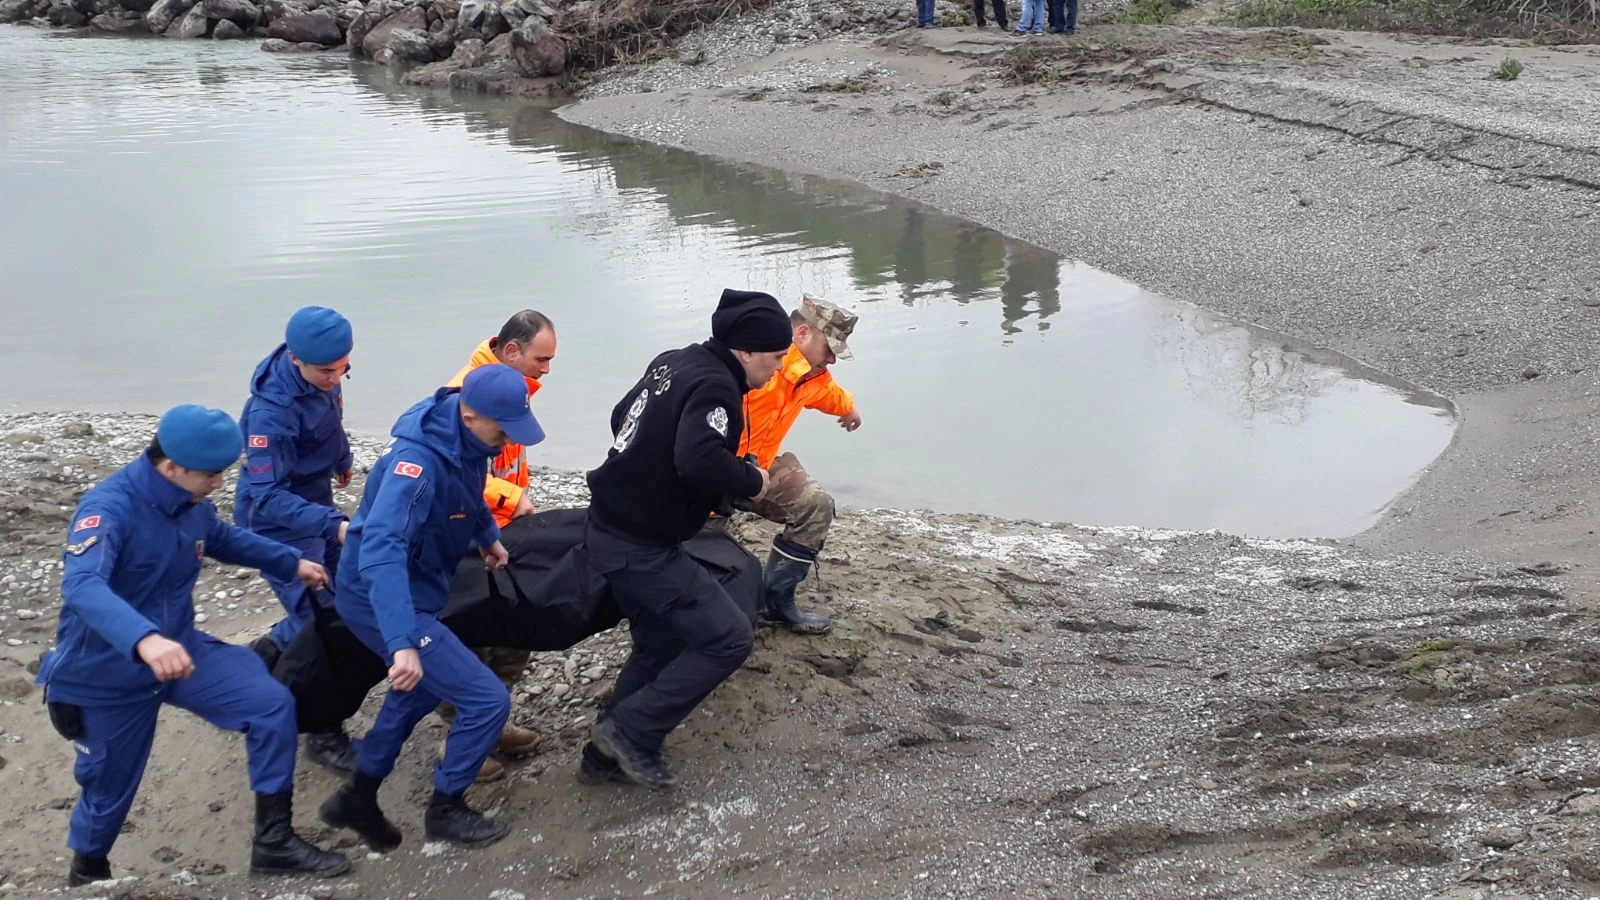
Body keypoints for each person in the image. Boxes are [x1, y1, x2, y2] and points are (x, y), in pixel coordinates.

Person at [36, 405, 349, 887]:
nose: (220, 484)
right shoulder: (108, 510)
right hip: (106, 674)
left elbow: (222, 537)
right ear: (172, 466)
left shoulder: (190, 501)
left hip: (184, 652)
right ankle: (89, 872)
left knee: (270, 704)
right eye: (212, 474)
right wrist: (143, 640)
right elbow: (82, 587)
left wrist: (291, 562)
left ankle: (273, 844)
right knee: (108, 790)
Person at [318, 364, 541, 851]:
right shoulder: (414, 468)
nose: (505, 442)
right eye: (501, 430)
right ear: (469, 414)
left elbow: (468, 488)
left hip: (417, 591)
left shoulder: (467, 442)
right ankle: (447, 808)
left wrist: (487, 538)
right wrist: (400, 643)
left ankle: (357, 796)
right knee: (486, 700)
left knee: (415, 694)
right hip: (380, 595)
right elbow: (380, 552)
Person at [579, 288, 788, 790]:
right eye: (777, 357)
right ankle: (630, 732)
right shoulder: (718, 387)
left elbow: (622, 417)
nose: (780, 368)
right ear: (746, 351)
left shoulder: (673, 360)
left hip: (609, 524)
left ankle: (601, 760)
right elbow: (698, 459)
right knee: (729, 638)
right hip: (639, 544)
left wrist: (653, 471)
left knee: (661, 643)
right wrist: (750, 481)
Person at [434, 310, 557, 783]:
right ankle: (458, 740)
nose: (547, 369)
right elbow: (451, 472)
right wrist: (509, 497)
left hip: (504, 531)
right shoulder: (463, 397)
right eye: (541, 359)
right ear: (511, 351)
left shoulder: (511, 386)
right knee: (471, 637)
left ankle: (491, 723)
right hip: (469, 535)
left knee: (512, 627)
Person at [235, 305, 358, 773]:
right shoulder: (271, 413)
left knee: (346, 597)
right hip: (280, 528)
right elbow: (266, 497)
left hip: (317, 505)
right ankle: (323, 734)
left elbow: (331, 416)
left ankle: (259, 663)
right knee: (324, 623)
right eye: (327, 371)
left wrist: (342, 457)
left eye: (343, 368)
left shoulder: (325, 372)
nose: (336, 378)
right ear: (295, 359)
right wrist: (332, 525)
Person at [737, 294, 862, 636]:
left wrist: (848, 409)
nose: (832, 360)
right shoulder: (755, 362)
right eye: (830, 349)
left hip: (759, 471)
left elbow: (827, 393)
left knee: (816, 505)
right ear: (803, 333)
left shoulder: (811, 375)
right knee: (713, 586)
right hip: (710, 477)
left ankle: (776, 603)